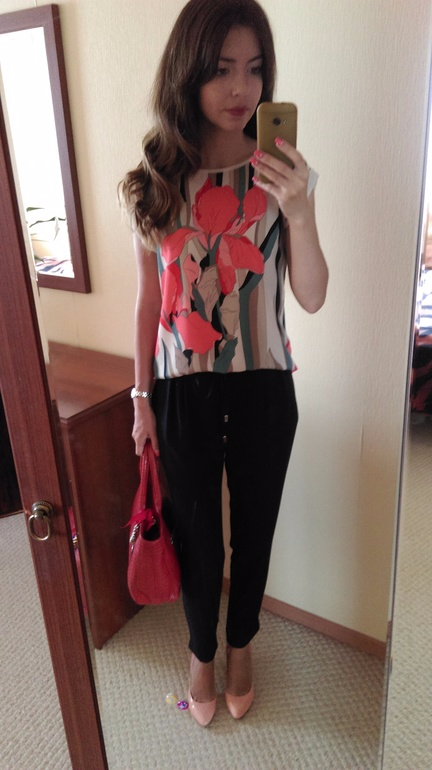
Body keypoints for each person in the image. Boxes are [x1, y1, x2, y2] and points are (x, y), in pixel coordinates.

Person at [120, 0, 328, 727]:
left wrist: (300, 210)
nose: (242, 87)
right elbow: (149, 301)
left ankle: (242, 646)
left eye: (255, 68)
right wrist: (139, 399)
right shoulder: (154, 181)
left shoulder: (283, 174)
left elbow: (312, 296)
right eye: (221, 69)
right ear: (188, 73)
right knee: (197, 536)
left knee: (256, 530)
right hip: (180, 391)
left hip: (266, 385)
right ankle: (200, 655)